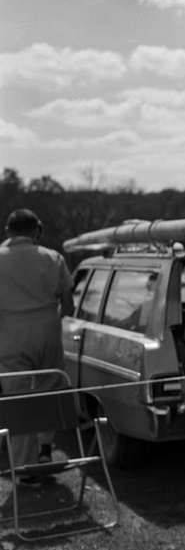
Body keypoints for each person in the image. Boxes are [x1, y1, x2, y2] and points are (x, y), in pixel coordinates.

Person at [0, 209, 74, 488]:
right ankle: (45, 449)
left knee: (18, 402)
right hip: (47, 334)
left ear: (8, 231)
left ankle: (24, 468)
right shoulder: (52, 258)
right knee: (48, 393)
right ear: (37, 231)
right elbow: (68, 306)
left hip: (10, 338)